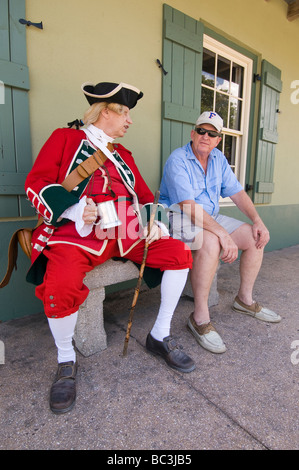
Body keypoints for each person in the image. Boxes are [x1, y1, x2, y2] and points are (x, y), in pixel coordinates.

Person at [25, 81, 195, 414]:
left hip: (126, 230)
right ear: (107, 112)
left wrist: (154, 223)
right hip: (78, 231)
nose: (129, 121)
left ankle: (159, 335)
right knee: (60, 285)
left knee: (178, 251)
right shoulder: (66, 139)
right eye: (126, 114)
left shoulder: (123, 155)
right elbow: (37, 183)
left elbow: (146, 198)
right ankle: (65, 360)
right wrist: (75, 209)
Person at [159, 111, 281, 354]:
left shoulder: (218, 159)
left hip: (209, 217)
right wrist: (223, 234)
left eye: (212, 133)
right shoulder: (178, 159)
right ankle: (200, 317)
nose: (206, 136)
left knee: (255, 237)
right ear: (193, 134)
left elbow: (237, 193)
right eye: (201, 131)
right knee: (212, 242)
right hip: (176, 218)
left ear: (217, 140)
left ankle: (244, 300)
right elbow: (188, 206)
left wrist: (257, 220)